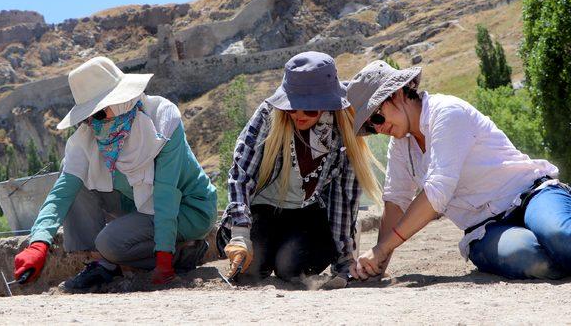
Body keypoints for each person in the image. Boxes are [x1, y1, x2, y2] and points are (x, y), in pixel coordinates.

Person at [346, 60, 571, 280]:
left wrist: (382, 248)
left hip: (531, 195)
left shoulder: (447, 112)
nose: (378, 127)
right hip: (485, 229)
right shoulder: (399, 146)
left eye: (376, 116)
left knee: (560, 236)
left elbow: (437, 192)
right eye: (370, 127)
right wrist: (377, 263)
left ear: (397, 94)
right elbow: (396, 201)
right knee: (532, 260)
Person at [13, 56, 217, 291]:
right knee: (69, 170)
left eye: (98, 114)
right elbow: (62, 193)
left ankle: (181, 255)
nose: (92, 123)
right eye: (86, 117)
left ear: (122, 100)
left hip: (188, 208)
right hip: (139, 207)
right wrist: (38, 243)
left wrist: (163, 261)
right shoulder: (89, 137)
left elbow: (166, 194)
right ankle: (100, 264)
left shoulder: (162, 120)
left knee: (110, 243)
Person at [218, 51, 381, 287]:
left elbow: (343, 199)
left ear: (327, 105)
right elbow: (241, 175)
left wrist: (344, 261)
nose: (299, 116)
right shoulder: (267, 115)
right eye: (292, 108)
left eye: (310, 110)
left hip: (309, 216)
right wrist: (240, 234)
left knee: (290, 267)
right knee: (250, 269)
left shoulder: (343, 129)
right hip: (261, 211)